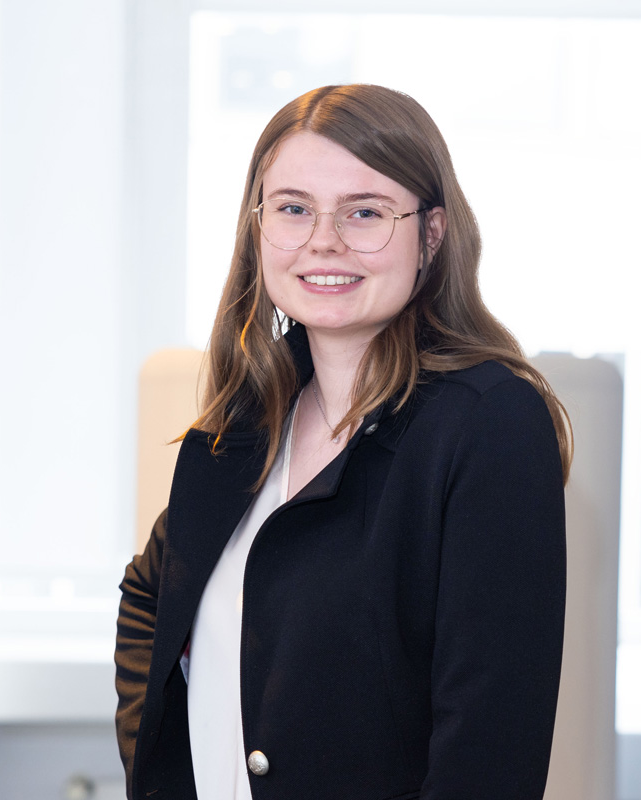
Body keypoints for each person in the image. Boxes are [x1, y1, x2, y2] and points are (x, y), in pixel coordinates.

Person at [115, 83, 571, 800]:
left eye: (365, 213)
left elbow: (489, 757)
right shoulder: (240, 423)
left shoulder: (489, 426)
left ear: (432, 233)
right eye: (294, 209)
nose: (324, 241)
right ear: (258, 228)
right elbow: (151, 595)